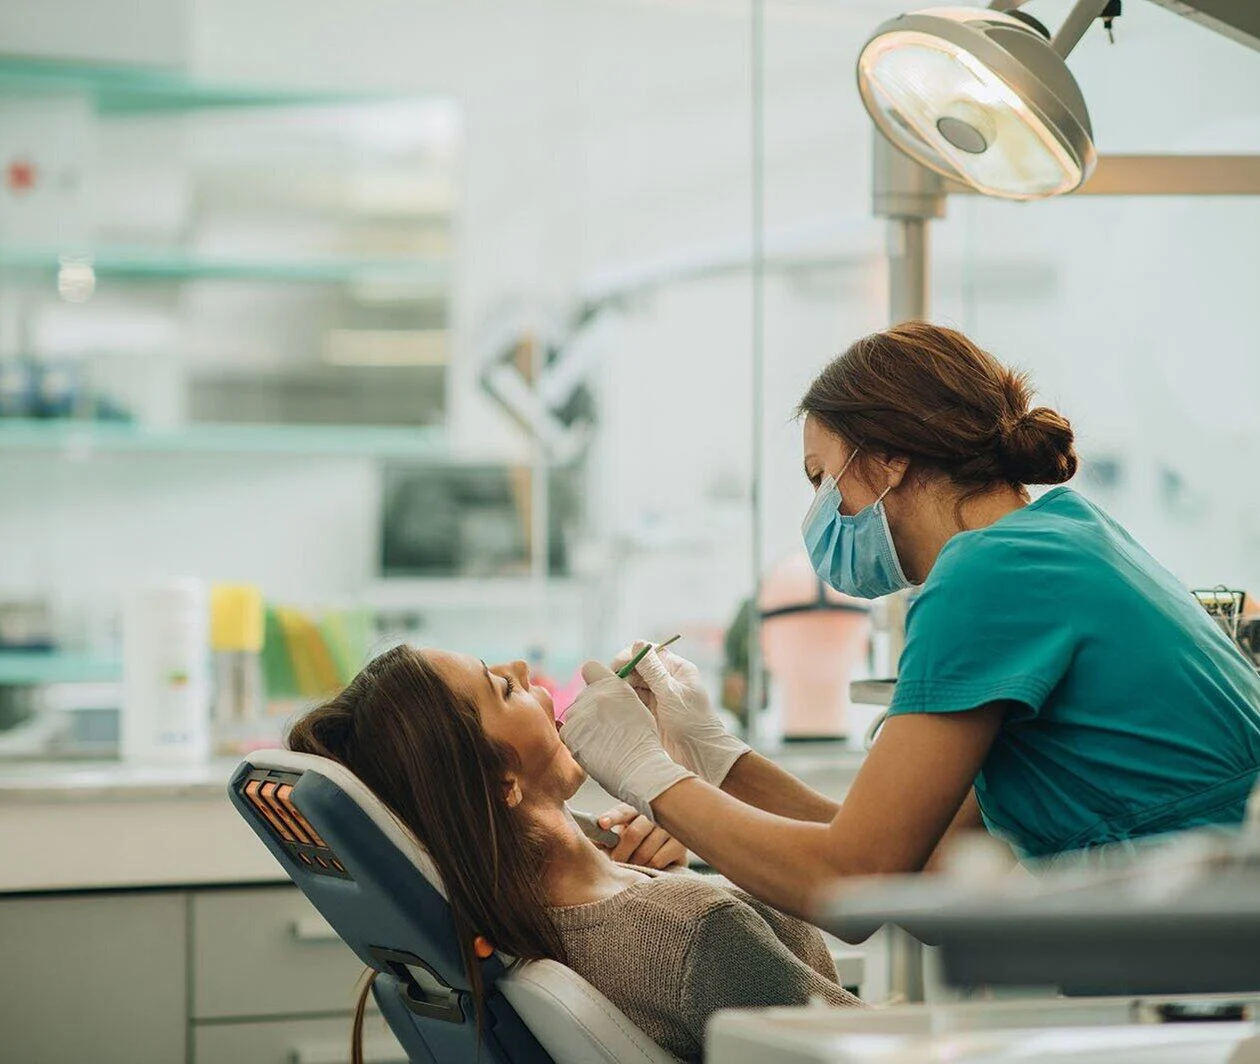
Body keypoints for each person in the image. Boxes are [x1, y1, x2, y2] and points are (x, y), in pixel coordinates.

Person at [560, 322, 1260, 919]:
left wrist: (646, 773)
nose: (818, 513)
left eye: (820, 477)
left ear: (891, 457)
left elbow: (851, 880)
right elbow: (915, 860)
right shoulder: (1059, 536)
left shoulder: (989, 575)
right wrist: (717, 758)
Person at [286, 645, 859, 1062]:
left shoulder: (521, 918)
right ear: (501, 781)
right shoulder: (693, 930)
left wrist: (676, 857)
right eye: (503, 689)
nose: (522, 672)